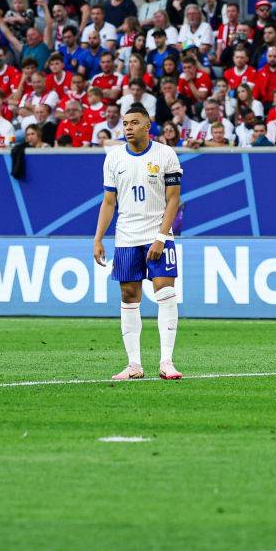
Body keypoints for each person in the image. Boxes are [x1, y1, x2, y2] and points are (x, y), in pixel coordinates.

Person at [91, 103, 184, 381]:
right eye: (125, 123)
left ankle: (166, 362)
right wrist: (98, 238)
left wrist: (160, 236)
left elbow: (173, 199)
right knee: (129, 297)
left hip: (158, 237)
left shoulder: (165, 154)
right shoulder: (114, 158)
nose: (128, 128)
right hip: (127, 237)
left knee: (165, 293)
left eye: (134, 123)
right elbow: (109, 202)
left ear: (147, 126)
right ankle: (134, 365)